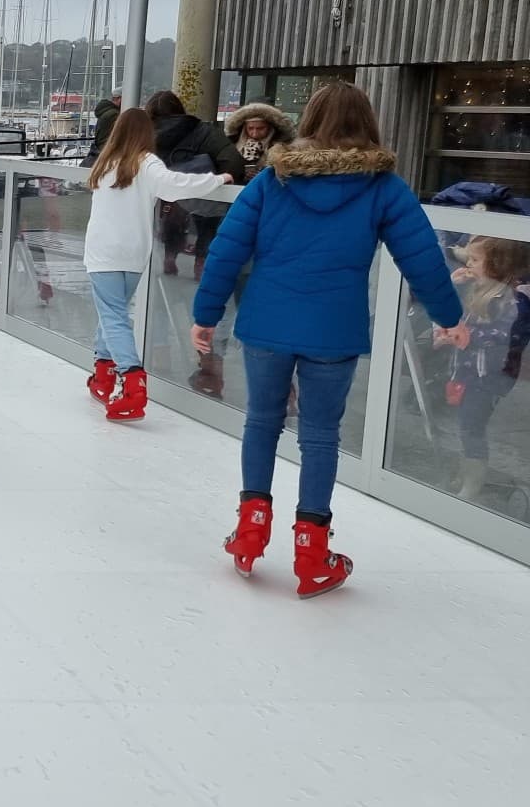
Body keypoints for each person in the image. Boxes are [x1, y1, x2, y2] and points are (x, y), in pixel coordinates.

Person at [193, 81, 466, 597]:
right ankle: (313, 551)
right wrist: (449, 315)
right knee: (319, 434)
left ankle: (250, 532)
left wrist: (205, 314)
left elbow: (227, 250)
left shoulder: (272, 180)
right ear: (368, 123)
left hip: (267, 325)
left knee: (262, 420)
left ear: (309, 120)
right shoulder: (383, 186)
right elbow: (423, 259)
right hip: (333, 330)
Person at [83, 109, 234, 422]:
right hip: (133, 254)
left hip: (102, 252)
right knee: (113, 313)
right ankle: (103, 373)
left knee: (112, 315)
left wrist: (216, 179)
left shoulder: (105, 164)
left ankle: (131, 381)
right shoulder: (147, 163)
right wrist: (217, 179)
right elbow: (176, 186)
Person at [438, 235, 530, 502]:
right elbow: (456, 314)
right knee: (464, 424)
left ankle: (472, 484)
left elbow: (507, 335)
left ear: (496, 266)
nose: (470, 264)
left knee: (471, 428)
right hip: (467, 371)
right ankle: (466, 472)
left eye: (475, 260)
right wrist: (454, 286)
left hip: (488, 378)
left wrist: (467, 337)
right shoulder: (479, 287)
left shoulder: (512, 299)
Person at [149, 91, 244, 277]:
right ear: (180, 109)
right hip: (204, 194)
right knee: (208, 224)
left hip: (165, 197)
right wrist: (224, 179)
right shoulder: (202, 131)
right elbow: (233, 160)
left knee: (171, 222)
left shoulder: (146, 134)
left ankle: (169, 259)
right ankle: (200, 264)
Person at [224, 101, 295, 178]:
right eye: (250, 128)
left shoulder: (283, 148)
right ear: (244, 128)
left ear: (270, 128)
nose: (255, 133)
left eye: (261, 128)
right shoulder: (230, 145)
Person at [86, 94, 122, 163]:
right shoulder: (114, 114)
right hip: (108, 151)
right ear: (119, 99)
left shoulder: (106, 112)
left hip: (101, 148)